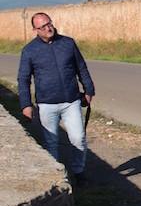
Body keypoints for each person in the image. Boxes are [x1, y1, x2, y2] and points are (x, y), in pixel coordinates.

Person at [17, 12, 95, 185]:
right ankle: (57, 179)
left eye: (49, 23)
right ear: (35, 30)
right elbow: (23, 79)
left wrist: (88, 90)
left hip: (71, 101)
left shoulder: (68, 43)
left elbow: (81, 67)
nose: (48, 28)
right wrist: (26, 105)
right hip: (46, 104)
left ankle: (79, 172)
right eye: (42, 27)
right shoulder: (29, 51)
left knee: (78, 138)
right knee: (51, 142)